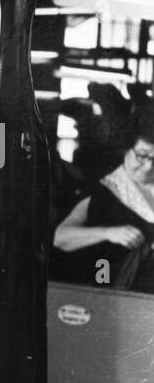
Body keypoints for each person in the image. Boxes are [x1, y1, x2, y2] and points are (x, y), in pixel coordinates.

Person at [53, 113, 154, 292]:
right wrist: (108, 233)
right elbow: (61, 237)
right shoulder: (102, 192)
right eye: (142, 155)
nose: (148, 166)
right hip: (113, 287)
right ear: (126, 150)